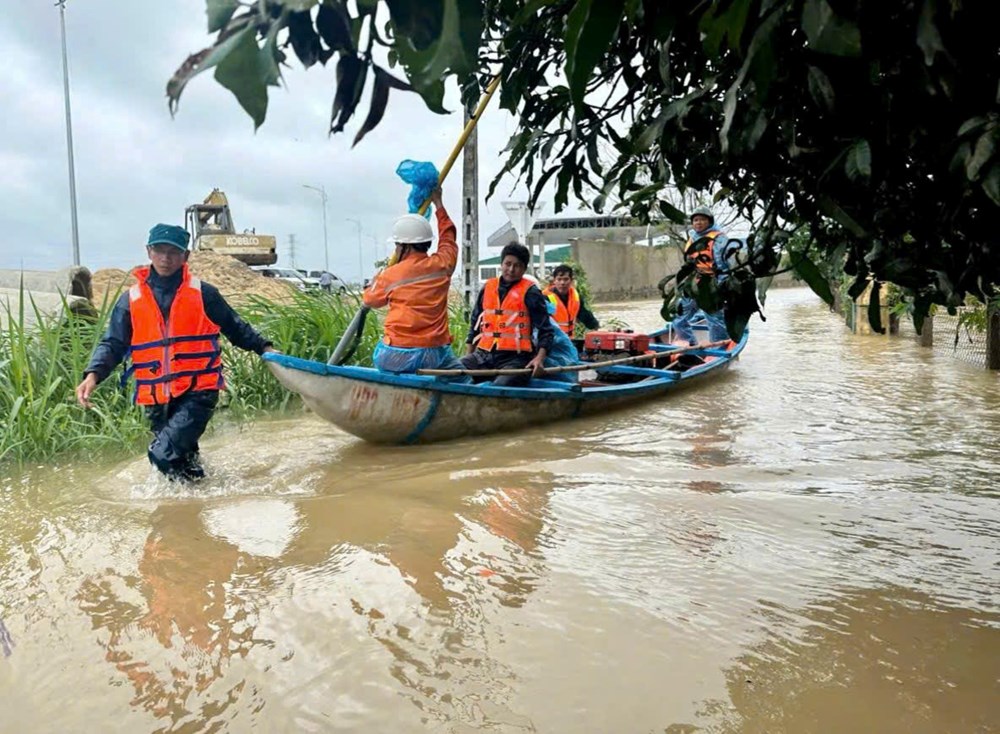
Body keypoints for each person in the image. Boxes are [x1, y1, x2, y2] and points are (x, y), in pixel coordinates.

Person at [75, 223, 276, 482]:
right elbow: (113, 343)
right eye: (159, 250)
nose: (165, 258)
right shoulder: (131, 300)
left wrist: (265, 348)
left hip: (198, 391)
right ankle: (193, 507)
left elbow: (235, 327)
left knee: (162, 453)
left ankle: (184, 507)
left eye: (173, 252)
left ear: (186, 256)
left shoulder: (204, 293)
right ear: (149, 251)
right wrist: (93, 375)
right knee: (183, 462)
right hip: (156, 396)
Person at [362, 188, 467, 378]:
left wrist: (375, 281)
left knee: (383, 359)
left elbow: (370, 300)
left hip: (394, 355)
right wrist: (439, 204)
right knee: (464, 379)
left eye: (397, 245)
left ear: (403, 246)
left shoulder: (389, 275)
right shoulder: (443, 264)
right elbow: (448, 238)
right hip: (433, 354)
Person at [462, 242, 554, 387]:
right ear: (502, 264)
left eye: (517, 266)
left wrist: (539, 359)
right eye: (508, 264)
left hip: (515, 360)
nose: (511, 269)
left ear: (524, 269)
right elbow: (475, 324)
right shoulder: (488, 287)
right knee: (454, 373)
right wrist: (469, 356)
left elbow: (546, 330)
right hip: (483, 356)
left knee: (500, 387)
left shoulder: (531, 292)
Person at [671, 206, 730, 345]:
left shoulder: (718, 239)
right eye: (695, 220)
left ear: (709, 221)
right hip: (693, 283)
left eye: (702, 220)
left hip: (712, 285)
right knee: (678, 316)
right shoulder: (692, 238)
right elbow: (689, 264)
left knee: (715, 320)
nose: (698, 223)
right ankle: (689, 345)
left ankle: (719, 348)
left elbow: (723, 266)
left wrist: (723, 288)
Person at [541, 263, 600, 336]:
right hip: (552, 339)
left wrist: (596, 327)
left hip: (569, 340)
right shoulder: (545, 297)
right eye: (559, 279)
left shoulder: (575, 297)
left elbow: (584, 314)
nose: (562, 283)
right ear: (554, 281)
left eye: (566, 279)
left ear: (571, 281)